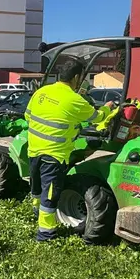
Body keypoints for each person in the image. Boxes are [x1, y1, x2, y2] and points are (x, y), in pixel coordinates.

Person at [25, 63, 113, 242]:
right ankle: (45, 233)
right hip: (54, 155)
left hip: (34, 151)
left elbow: (28, 116)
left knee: (36, 187)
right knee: (50, 195)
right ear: (76, 78)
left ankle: (36, 211)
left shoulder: (41, 92)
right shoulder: (74, 100)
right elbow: (97, 118)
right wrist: (108, 108)